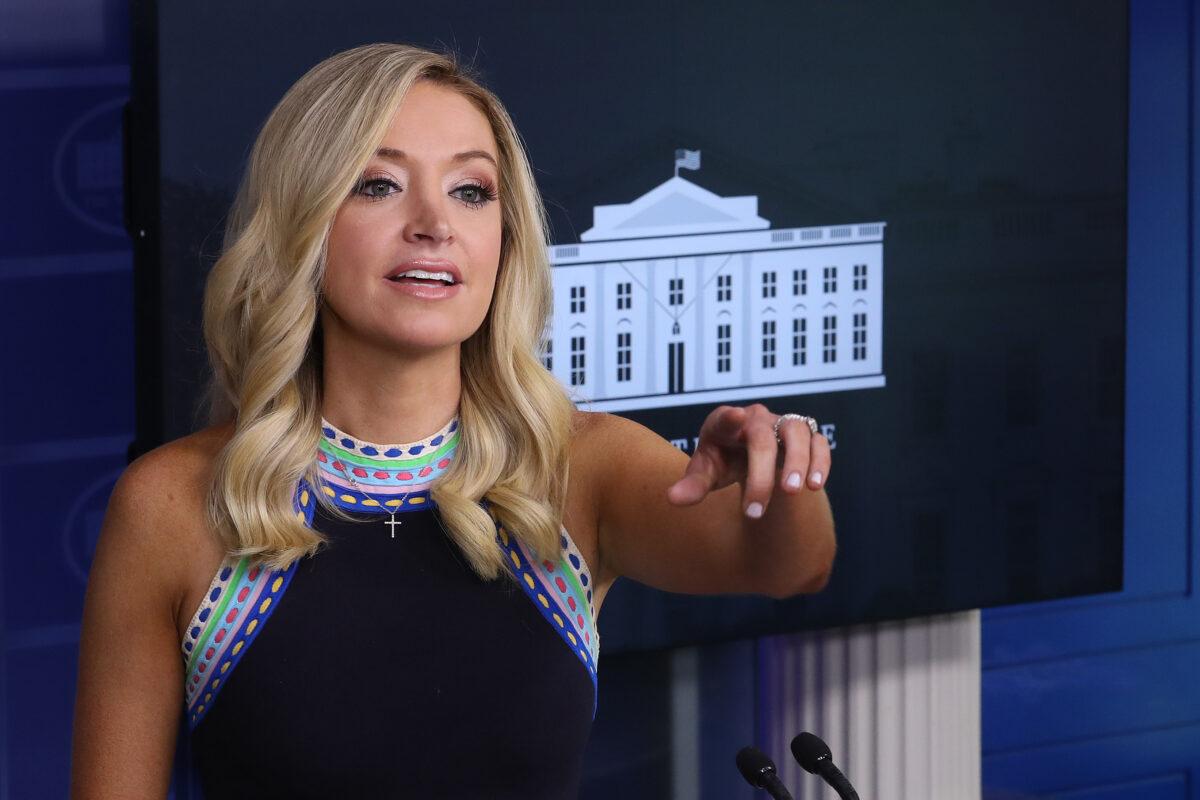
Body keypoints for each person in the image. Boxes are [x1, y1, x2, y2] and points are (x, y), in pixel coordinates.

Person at [69, 42, 836, 798]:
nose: (435, 223)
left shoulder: (575, 468)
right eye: (378, 184)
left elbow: (793, 566)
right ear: (302, 223)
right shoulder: (172, 506)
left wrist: (782, 465)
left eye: (471, 191)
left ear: (505, 240)